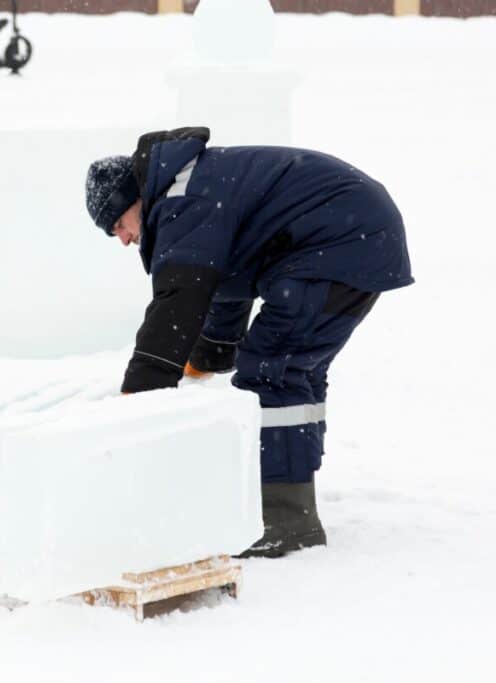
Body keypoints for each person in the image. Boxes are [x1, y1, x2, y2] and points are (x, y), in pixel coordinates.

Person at [85, 127, 413, 558]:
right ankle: (289, 498)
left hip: (337, 242)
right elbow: (222, 288)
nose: (124, 238)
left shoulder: (183, 199)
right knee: (295, 370)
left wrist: (139, 393)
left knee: (273, 370)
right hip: (355, 237)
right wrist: (206, 358)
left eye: (118, 224)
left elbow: (178, 301)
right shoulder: (194, 187)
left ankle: (284, 521)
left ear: (135, 199)